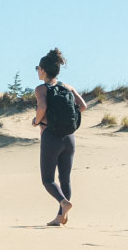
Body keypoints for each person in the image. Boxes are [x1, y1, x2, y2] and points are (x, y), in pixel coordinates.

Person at [31, 48, 87, 226]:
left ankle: (63, 203)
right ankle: (61, 216)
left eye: (38, 68)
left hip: (51, 136)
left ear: (43, 70)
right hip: (69, 137)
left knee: (48, 179)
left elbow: (42, 108)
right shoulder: (68, 87)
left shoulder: (41, 88)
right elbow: (83, 106)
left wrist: (36, 121)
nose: (38, 71)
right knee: (65, 178)